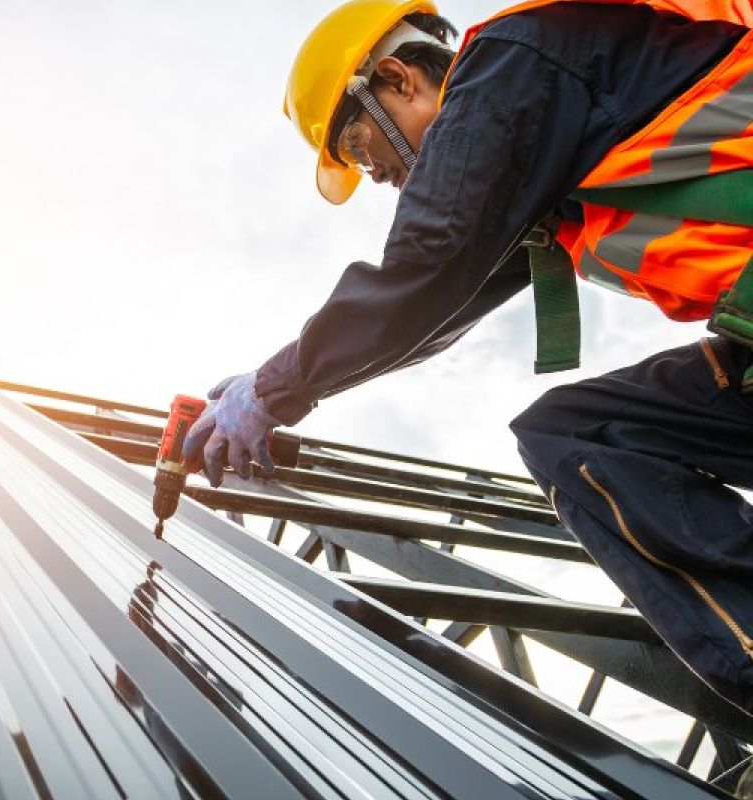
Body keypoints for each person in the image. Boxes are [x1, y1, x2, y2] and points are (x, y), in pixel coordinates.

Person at [182, 0, 753, 735]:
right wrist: (281, 386)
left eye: (365, 152)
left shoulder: (513, 61)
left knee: (578, 432)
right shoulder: (545, 149)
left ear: (396, 78)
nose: (385, 179)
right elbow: (435, 312)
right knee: (580, 435)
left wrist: (274, 388)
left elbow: (428, 263)